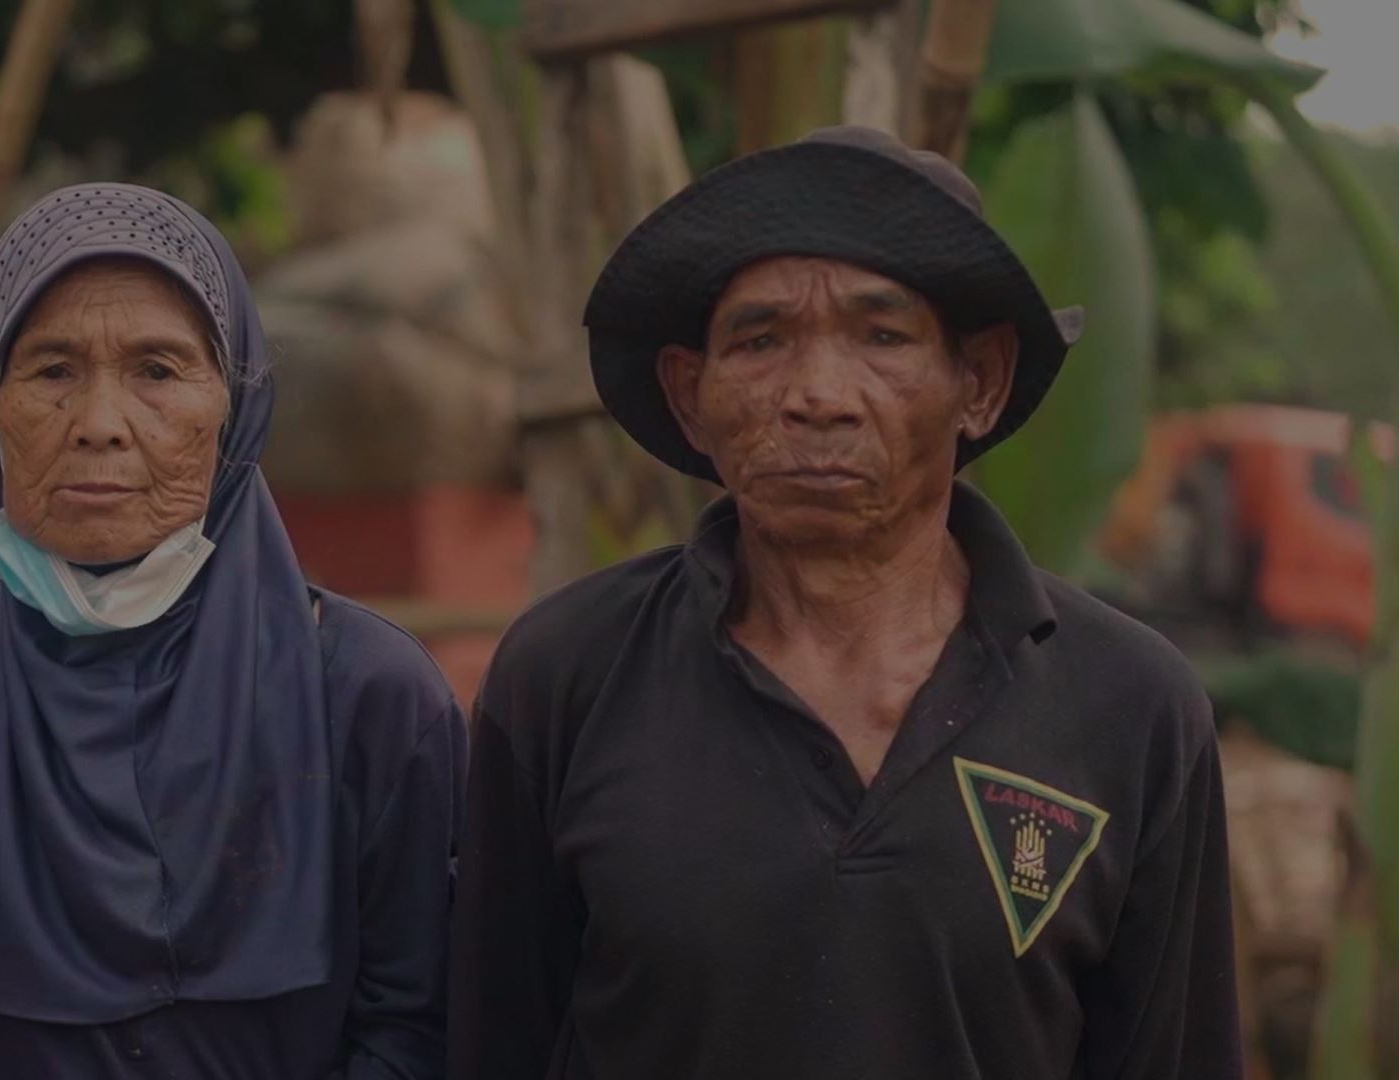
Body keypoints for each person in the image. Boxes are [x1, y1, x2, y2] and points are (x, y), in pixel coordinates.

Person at [449, 128, 1239, 1079]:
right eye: (761, 340)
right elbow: (492, 1045)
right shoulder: (566, 675)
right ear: (691, 396)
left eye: (882, 337)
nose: (818, 396)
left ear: (978, 383)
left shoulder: (1131, 706)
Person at [0, 184, 465, 1079]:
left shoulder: (369, 694)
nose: (100, 426)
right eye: (52, 371)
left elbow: (419, 1029)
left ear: (234, 408)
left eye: (158, 372)